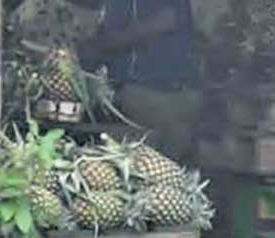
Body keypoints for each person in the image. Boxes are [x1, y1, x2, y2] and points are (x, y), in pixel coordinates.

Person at [72, 0, 202, 162]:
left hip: (160, 93)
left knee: (159, 163)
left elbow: (167, 19)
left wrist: (104, 44)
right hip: (137, 93)